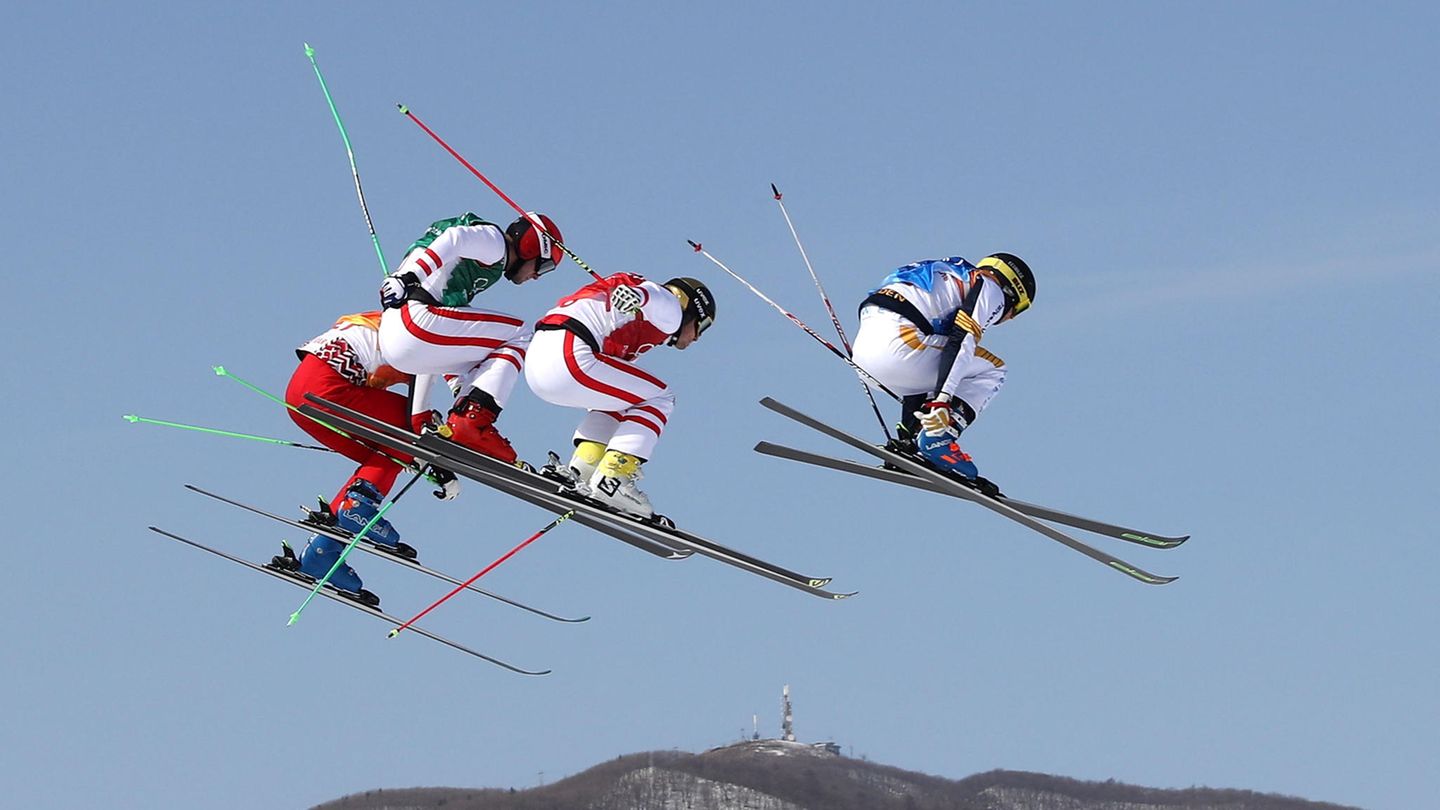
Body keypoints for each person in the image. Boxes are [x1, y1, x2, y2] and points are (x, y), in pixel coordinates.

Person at [283, 312, 461, 601]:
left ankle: (322, 552)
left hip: (302, 397)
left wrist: (423, 456)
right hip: (326, 390)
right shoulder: (424, 340)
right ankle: (357, 510)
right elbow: (417, 419)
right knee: (405, 429)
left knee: (387, 452)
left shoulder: (390, 327)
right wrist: (435, 457)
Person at [377, 211, 565, 464]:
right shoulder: (496, 242)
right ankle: (472, 422)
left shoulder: (472, 271)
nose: (537, 276)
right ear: (531, 247)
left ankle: (466, 414)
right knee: (520, 335)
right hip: (417, 318)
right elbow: (456, 238)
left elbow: (438, 354)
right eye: (544, 266)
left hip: (401, 336)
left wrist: (420, 418)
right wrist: (409, 277)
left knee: (480, 344)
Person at [524, 274, 715, 519]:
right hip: (570, 352)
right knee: (661, 398)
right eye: (703, 325)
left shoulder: (636, 325)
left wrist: (636, 296)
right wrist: (639, 296)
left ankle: (584, 467)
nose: (698, 337)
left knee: (624, 400)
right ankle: (613, 479)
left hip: (540, 358)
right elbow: (657, 296)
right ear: (691, 308)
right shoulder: (672, 310)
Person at [850, 253, 1035, 481]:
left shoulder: (947, 273)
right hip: (903, 350)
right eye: (1019, 309)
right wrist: (942, 400)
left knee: (940, 362)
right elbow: (963, 338)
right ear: (1013, 291)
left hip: (863, 359)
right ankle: (939, 439)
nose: (1011, 317)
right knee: (992, 369)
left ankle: (913, 436)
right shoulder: (991, 287)